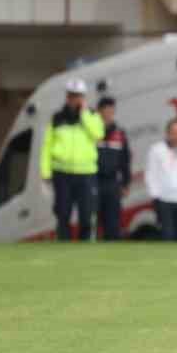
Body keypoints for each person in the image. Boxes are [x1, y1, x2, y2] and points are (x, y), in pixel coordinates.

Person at [40, 79, 105, 242]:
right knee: (62, 214)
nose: (76, 99)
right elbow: (47, 146)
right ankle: (63, 245)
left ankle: (85, 247)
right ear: (67, 97)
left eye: (79, 96)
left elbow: (98, 134)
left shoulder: (92, 115)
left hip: (86, 173)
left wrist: (84, 115)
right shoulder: (57, 118)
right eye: (72, 96)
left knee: (86, 214)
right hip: (62, 173)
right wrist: (46, 171)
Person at [94, 96, 131, 241]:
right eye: (105, 110)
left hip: (112, 183)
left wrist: (126, 183)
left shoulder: (119, 133)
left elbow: (125, 160)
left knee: (113, 223)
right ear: (99, 111)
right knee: (93, 221)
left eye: (111, 110)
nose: (108, 113)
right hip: (94, 181)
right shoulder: (92, 132)